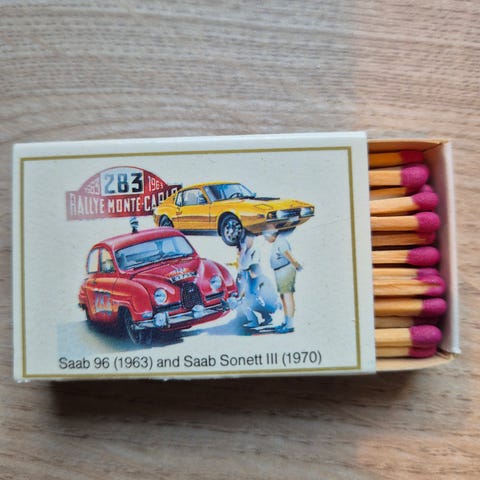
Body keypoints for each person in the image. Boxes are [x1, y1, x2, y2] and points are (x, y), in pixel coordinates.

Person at [264, 230, 302, 333]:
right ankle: (286, 322)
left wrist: (296, 265)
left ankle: (289, 325)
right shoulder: (277, 242)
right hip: (280, 271)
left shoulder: (280, 241)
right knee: (284, 297)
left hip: (285, 270)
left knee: (287, 296)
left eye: (266, 237)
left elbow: (288, 254)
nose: (266, 240)